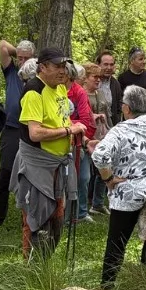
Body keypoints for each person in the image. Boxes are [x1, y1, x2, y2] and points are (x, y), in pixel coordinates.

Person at [92, 85, 146, 285]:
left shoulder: (121, 129)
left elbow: (100, 155)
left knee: (117, 240)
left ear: (126, 108)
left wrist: (108, 178)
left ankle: (108, 284)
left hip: (131, 192)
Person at [14, 47, 85, 256]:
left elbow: (63, 120)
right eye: (57, 66)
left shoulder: (60, 88)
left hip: (58, 163)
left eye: (64, 66)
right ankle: (31, 266)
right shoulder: (34, 92)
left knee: (57, 216)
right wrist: (68, 130)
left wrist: (84, 138)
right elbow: (35, 133)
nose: (62, 71)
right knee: (36, 216)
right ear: (42, 67)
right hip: (37, 165)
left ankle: (45, 261)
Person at [0, 39, 35, 227]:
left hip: (31, 130)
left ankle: (29, 215)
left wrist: (30, 62)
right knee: (5, 172)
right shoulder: (11, 72)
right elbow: (2, 45)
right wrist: (19, 54)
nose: (22, 61)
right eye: (20, 57)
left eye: (26, 58)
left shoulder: (36, 76)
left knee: (31, 174)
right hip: (11, 129)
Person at [66, 62, 96, 223]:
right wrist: (72, 124)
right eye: (80, 79)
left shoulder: (79, 92)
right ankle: (67, 214)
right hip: (65, 140)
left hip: (81, 140)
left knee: (83, 177)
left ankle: (81, 212)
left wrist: (70, 124)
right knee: (66, 179)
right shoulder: (54, 91)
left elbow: (85, 120)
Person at [87, 60, 115, 214]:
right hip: (89, 137)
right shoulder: (81, 94)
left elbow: (108, 113)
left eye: (99, 77)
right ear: (85, 78)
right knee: (88, 173)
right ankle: (84, 204)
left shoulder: (101, 93)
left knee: (102, 168)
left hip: (103, 135)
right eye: (94, 77)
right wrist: (94, 116)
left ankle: (97, 203)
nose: (98, 80)